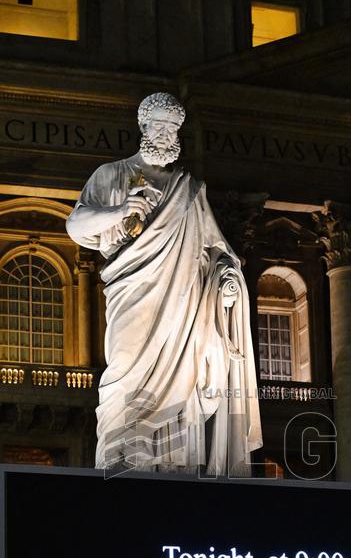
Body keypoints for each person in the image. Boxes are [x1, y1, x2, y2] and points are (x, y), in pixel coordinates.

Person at [66, 92, 262, 474]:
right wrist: (120, 211)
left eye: (172, 129)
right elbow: (75, 226)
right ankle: (118, 462)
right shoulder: (111, 175)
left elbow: (216, 249)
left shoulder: (189, 190)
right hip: (131, 291)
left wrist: (226, 280)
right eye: (159, 126)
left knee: (181, 379)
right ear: (143, 127)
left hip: (182, 301)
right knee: (124, 372)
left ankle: (172, 463)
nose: (165, 135)